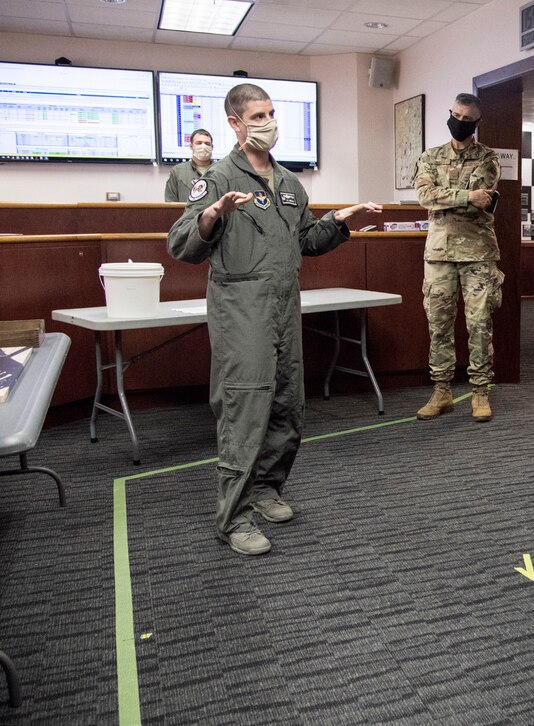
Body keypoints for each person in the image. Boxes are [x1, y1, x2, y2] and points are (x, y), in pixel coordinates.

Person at [167, 83, 380, 556]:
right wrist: (212, 216)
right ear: (235, 123)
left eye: (271, 114)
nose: (268, 123)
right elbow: (181, 243)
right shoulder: (219, 178)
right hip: (242, 311)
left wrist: (341, 222)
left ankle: (265, 489)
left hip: (285, 308)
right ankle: (234, 517)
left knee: (287, 404)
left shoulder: (288, 183)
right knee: (245, 411)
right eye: (258, 115)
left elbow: (306, 240)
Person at [413, 92, 503, 423]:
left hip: (478, 253)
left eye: (468, 119)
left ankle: (480, 392)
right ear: (449, 113)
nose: (460, 123)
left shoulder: (489, 158)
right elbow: (425, 196)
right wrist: (466, 195)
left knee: (479, 324)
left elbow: (486, 194)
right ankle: (442, 391)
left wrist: (449, 196)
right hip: (439, 254)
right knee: (438, 324)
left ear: (477, 123)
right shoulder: (430, 156)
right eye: (456, 116)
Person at [164, 128, 214, 202]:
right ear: (191, 146)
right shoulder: (177, 171)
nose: (203, 146)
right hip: (186, 213)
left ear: (212, 147)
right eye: (199, 143)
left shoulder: (221, 171)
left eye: (207, 144)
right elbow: (170, 203)